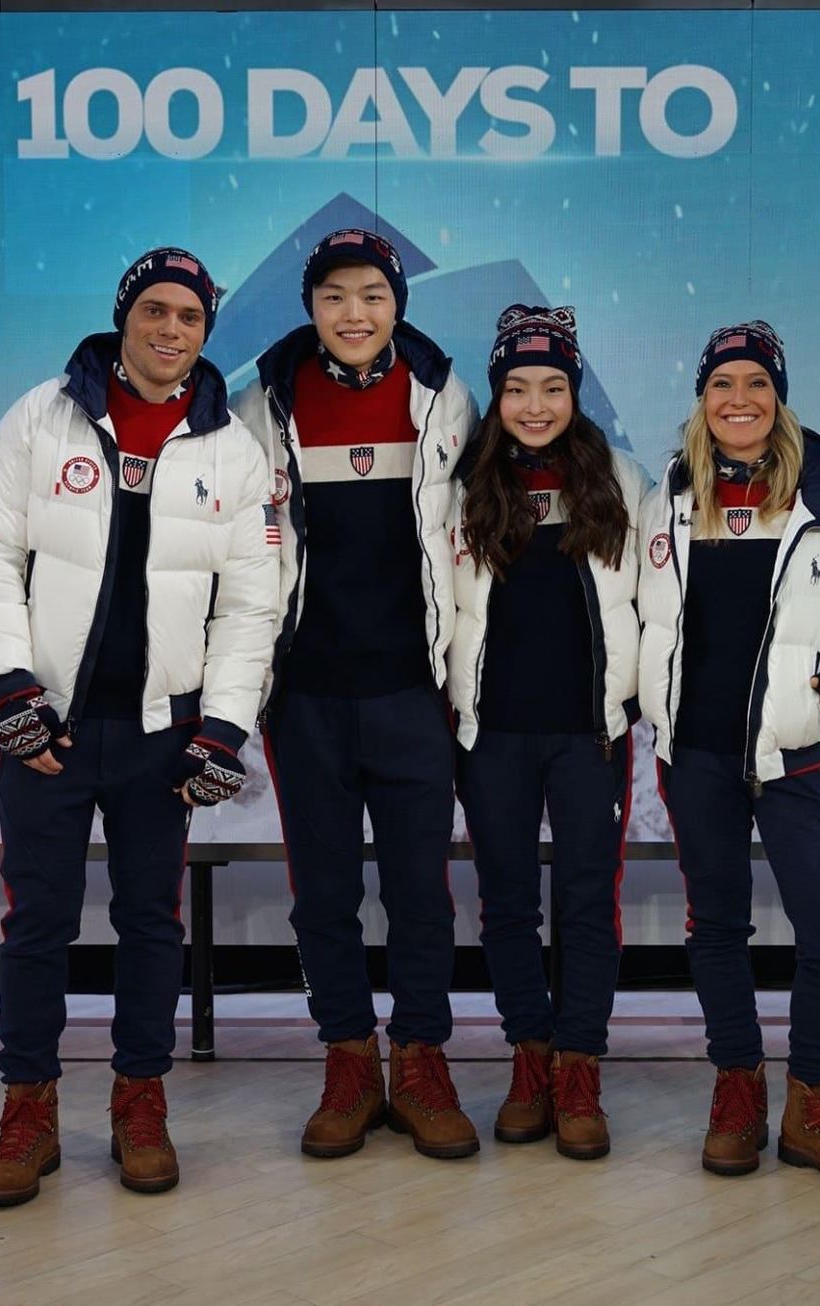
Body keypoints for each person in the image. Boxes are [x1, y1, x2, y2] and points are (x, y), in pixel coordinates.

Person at [0, 247, 278, 1205]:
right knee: (36, 924)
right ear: (124, 317)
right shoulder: (40, 414)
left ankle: (141, 1102)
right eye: (156, 312)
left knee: (150, 922)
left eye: (190, 317)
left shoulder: (231, 447)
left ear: (206, 332)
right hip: (47, 728)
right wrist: (12, 690)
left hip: (161, 735)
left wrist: (222, 729)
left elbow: (252, 605)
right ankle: (29, 1109)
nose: (171, 330)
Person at [638, 320, 820, 1188]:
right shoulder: (671, 496)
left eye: (756, 383)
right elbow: (640, 615)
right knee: (716, 925)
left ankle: (815, 1100)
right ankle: (738, 1086)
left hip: (794, 754)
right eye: (723, 385)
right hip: (698, 757)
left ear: (779, 396)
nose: (740, 400)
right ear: (702, 400)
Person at [234, 228, 479, 1160]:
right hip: (307, 699)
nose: (354, 314)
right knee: (324, 895)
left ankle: (419, 1061)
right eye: (334, 296)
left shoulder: (443, 398)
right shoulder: (265, 404)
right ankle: (347, 1057)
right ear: (311, 308)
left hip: (414, 693)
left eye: (372, 294)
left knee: (422, 891)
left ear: (397, 304)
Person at [447, 305, 649, 1158]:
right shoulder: (463, 487)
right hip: (492, 737)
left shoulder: (620, 481)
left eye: (553, 387)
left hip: (588, 737)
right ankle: (530, 1058)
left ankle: (579, 1070)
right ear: (497, 396)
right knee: (505, 905)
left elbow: (655, 605)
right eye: (518, 388)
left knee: (585, 909)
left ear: (575, 392)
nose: (535, 405)